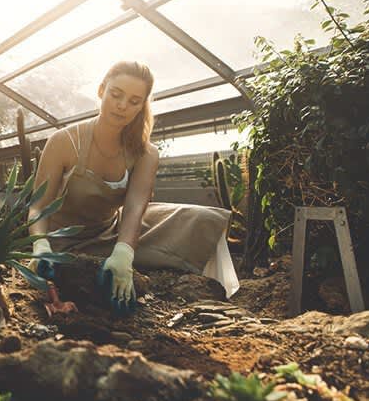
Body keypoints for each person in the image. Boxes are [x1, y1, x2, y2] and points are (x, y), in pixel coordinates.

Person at [28, 61, 239, 313]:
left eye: (134, 101)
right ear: (101, 90)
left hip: (112, 232)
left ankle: (215, 300)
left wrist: (124, 253)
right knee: (81, 274)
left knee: (203, 219)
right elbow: (38, 206)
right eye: (116, 94)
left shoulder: (146, 152)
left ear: (142, 105)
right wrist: (40, 246)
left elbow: (135, 208)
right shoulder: (64, 141)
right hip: (64, 240)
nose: (122, 106)